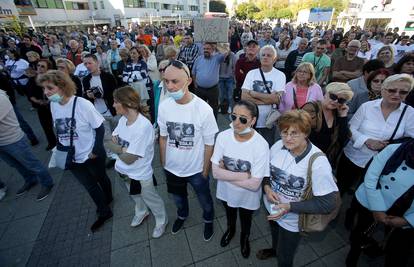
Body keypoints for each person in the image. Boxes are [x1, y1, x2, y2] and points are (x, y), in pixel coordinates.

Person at [256, 110, 338, 267]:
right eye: (284, 132)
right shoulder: (278, 146)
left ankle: (280, 255)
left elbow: (328, 203)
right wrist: (266, 187)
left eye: (295, 133)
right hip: (272, 208)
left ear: (306, 133)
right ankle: (274, 249)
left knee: (285, 256)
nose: (287, 138)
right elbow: (267, 171)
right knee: (274, 232)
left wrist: (289, 207)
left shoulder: (318, 162)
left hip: (292, 220)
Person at [38, 70, 113, 232]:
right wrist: (60, 149)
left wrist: (96, 150)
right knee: (90, 185)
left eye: (49, 88)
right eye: (44, 89)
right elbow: (58, 128)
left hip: (91, 154)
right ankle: (104, 212)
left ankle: (109, 197)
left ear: (62, 86)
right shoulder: (53, 105)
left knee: (101, 178)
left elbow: (99, 128)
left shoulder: (82, 104)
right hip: (71, 157)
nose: (46, 92)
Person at [158, 60, 218, 241]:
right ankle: (182, 215)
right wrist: (164, 163)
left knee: (205, 201)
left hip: (197, 170)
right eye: (166, 81)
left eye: (175, 81)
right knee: (178, 199)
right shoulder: (164, 106)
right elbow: (163, 137)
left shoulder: (204, 110)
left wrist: (205, 171)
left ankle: (208, 220)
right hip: (172, 168)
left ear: (189, 81)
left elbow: (209, 144)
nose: (170, 86)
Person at [337, 74, 414, 195]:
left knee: (367, 194)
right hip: (354, 157)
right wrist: (367, 140)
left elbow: (411, 139)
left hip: (381, 163)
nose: (397, 94)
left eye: (403, 92)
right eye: (392, 90)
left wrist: (390, 147)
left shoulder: (409, 113)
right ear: (383, 90)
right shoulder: (367, 107)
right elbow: (351, 128)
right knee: (340, 188)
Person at [211, 100, 269, 258]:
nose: (236, 122)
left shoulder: (261, 145)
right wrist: (244, 175)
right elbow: (215, 173)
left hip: (247, 196)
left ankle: (245, 237)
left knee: (246, 218)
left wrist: (225, 173)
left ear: (253, 120)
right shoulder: (223, 137)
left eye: (243, 119)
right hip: (226, 191)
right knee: (229, 213)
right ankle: (231, 230)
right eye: (234, 116)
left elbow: (255, 184)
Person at [108, 86, 168, 238]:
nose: (113, 105)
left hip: (140, 174)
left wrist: (116, 148)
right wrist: (121, 149)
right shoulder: (123, 120)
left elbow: (129, 158)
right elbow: (111, 141)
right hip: (123, 171)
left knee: (151, 198)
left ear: (127, 103)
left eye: (116, 102)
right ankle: (141, 212)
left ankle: (161, 220)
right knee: (134, 196)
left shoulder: (142, 127)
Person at [346, 139, 414, 267]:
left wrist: (407, 221)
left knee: (397, 252)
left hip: (404, 214)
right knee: (361, 231)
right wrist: (377, 208)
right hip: (373, 199)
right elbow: (371, 176)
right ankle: (352, 256)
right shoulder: (395, 149)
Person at [0, 89, 54, 201]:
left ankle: (47, 182)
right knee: (15, 164)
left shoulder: (1, 97)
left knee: (31, 163)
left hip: (12, 139)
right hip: (2, 143)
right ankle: (30, 179)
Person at [241, 45, 286, 146]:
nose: (265, 57)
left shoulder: (280, 75)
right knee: (248, 146)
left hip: (268, 120)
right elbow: (243, 97)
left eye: (269, 55)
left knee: (267, 146)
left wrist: (253, 93)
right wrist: (268, 99)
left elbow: (277, 99)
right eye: (263, 55)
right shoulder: (251, 74)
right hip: (250, 118)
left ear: (274, 59)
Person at [301, 82, 353, 166]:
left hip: (324, 160)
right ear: (325, 93)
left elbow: (343, 140)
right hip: (305, 157)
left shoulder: (337, 114)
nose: (335, 101)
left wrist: (343, 116)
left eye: (341, 100)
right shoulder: (310, 108)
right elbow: (299, 133)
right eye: (333, 96)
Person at [82, 54, 118, 163]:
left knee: (118, 133)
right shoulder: (86, 79)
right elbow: (85, 98)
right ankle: (112, 156)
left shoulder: (108, 76)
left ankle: (124, 151)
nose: (87, 66)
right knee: (106, 137)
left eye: (90, 63)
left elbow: (116, 93)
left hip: (113, 110)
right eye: (85, 64)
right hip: (98, 113)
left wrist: (101, 95)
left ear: (97, 63)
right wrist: (87, 95)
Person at [26, 59, 56, 150]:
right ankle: (52, 142)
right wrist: (39, 102)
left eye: (42, 66)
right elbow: (30, 95)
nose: (39, 67)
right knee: (46, 127)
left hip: (55, 105)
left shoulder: (53, 78)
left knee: (61, 124)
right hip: (41, 107)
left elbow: (59, 92)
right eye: (38, 65)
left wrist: (50, 101)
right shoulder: (32, 80)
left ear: (48, 69)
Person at [192, 42, 228, 118]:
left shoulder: (217, 58)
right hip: (200, 89)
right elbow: (194, 72)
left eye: (208, 49)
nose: (206, 50)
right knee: (199, 108)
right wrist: (195, 84)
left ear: (212, 50)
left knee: (214, 108)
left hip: (213, 89)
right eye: (204, 49)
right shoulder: (198, 59)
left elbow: (226, 52)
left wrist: (216, 45)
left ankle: (213, 125)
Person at [218, 48, 236, 114]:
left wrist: (234, 77)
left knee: (230, 95)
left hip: (229, 77)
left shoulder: (232, 55)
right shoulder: (219, 55)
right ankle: (221, 106)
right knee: (221, 94)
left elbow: (234, 67)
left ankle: (230, 107)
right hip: (220, 77)